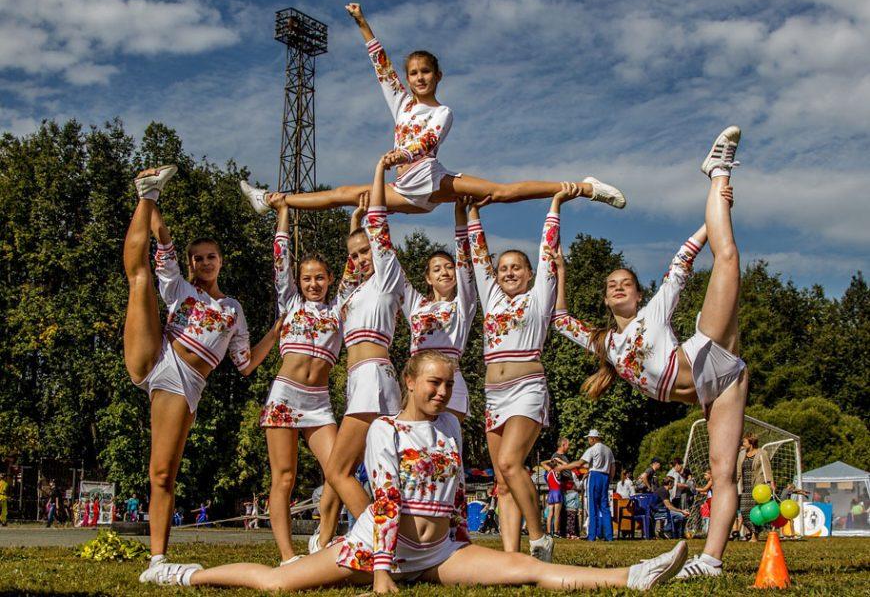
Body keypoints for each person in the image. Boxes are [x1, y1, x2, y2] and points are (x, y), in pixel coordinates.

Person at [140, 350, 688, 592]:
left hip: (437, 554)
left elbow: (451, 501)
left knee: (523, 567)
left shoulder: (450, 428)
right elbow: (384, 506)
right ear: (409, 381)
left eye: (448, 385)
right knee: (280, 585)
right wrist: (381, 575)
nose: (442, 392)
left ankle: (632, 576)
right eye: (433, 384)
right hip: (377, 550)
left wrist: (465, 541)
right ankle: (180, 573)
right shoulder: (384, 430)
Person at [552, 127, 749, 578]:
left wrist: (713, 216)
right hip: (715, 391)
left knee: (727, 257)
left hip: (707, 360)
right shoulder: (606, 342)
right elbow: (559, 320)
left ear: (639, 294)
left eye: (626, 282)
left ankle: (718, 171)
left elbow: (683, 259)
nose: (618, 286)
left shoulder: (654, 311)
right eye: (610, 285)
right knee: (723, 474)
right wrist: (559, 270)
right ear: (605, 299)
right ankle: (711, 564)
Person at [241, 4, 625, 216]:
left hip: (431, 179)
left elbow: (426, 143)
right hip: (405, 191)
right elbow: (381, 67)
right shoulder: (402, 101)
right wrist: (362, 23)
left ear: (438, 75)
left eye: (425, 72)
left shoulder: (443, 112)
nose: (419, 77)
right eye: (413, 73)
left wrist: (401, 154)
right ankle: (272, 200)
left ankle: (587, 187)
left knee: (503, 192)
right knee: (343, 193)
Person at [122, 165, 282, 568]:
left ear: (221, 261)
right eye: (198, 258)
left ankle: (157, 559)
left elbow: (245, 364)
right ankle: (147, 191)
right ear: (190, 263)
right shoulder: (179, 285)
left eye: (211, 257)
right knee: (140, 278)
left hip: (185, 381)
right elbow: (161, 247)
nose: (205, 262)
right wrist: (155, 215)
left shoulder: (232, 310)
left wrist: (279, 329)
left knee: (163, 473)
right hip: (158, 353)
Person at [468, 180, 597, 560]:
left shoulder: (539, 297)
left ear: (529, 273)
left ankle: (540, 538)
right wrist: (473, 210)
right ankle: (511, 556)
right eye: (503, 268)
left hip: (527, 389)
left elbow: (547, 249)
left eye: (516, 268)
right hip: (493, 395)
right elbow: (477, 254)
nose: (508, 273)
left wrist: (555, 203)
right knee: (502, 480)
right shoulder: (490, 297)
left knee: (511, 463)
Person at [321, 153, 409, 552]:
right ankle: (383, 538)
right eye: (354, 255)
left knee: (338, 469)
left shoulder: (387, 279)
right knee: (378, 469)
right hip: (359, 380)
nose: (359, 259)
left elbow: (379, 228)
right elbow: (345, 275)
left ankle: (379, 539)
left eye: (365, 252)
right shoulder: (353, 293)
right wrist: (353, 228)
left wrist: (377, 175)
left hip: (374, 374)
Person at [260, 194, 344, 562]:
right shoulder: (290, 303)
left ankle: (323, 539)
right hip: (285, 396)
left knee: (339, 472)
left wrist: (359, 215)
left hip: (319, 402)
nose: (313, 284)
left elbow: (360, 269)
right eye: (307, 278)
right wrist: (283, 213)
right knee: (284, 478)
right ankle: (286, 555)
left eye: (319, 278)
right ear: (299, 281)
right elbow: (281, 260)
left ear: (329, 280)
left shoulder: (340, 309)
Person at [400, 197, 477, 421]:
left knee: (446, 448)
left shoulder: (463, 303)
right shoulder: (415, 304)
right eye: (437, 269)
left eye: (448, 267)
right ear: (428, 278)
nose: (444, 272)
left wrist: (460, 216)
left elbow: (466, 262)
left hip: (449, 383)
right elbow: (391, 267)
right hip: (418, 382)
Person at [556, 430, 616, 542]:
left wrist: (562, 467)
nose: (588, 440)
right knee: (605, 507)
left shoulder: (592, 449)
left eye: (589, 438)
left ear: (593, 438)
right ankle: (609, 536)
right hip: (605, 477)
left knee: (592, 507)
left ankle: (592, 536)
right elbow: (613, 467)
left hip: (595, 476)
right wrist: (609, 479)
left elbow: (579, 463)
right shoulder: (608, 450)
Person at [736, 432, 773, 542]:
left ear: (751, 442)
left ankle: (754, 534)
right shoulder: (741, 454)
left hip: (758, 487)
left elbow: (767, 469)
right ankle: (754, 531)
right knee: (744, 512)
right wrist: (734, 482)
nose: (743, 443)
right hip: (745, 487)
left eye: (744, 441)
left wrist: (770, 483)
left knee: (755, 511)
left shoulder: (762, 453)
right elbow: (738, 471)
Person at [541, 460, 563, 538]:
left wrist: (550, 460)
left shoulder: (549, 471)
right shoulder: (557, 471)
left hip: (550, 493)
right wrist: (559, 460)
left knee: (550, 514)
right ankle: (556, 532)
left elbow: (542, 463)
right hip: (557, 493)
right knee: (556, 514)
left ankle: (549, 532)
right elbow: (566, 465)